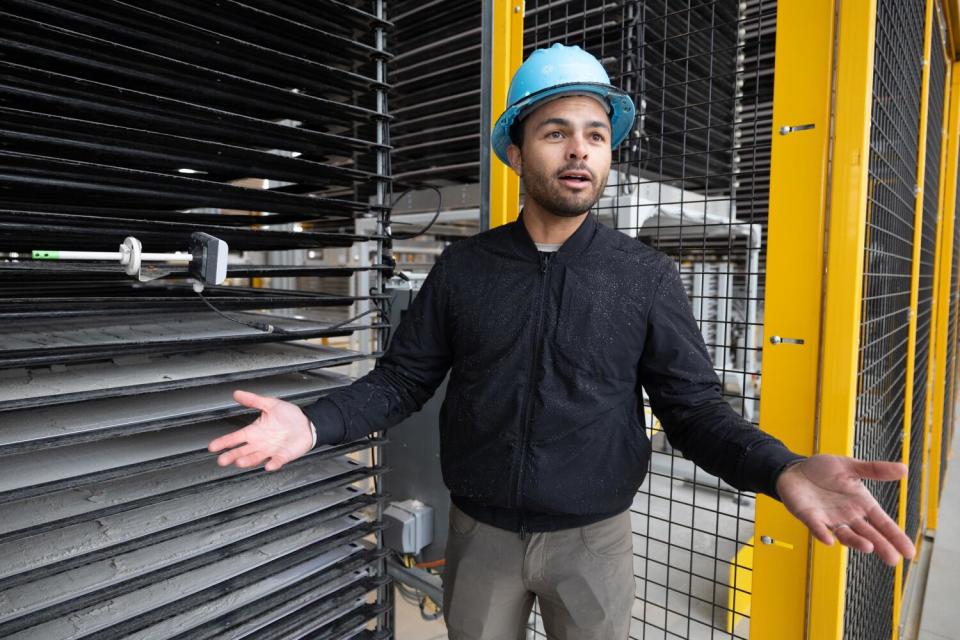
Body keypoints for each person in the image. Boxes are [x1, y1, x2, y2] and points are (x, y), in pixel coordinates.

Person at [209, 43, 915, 640]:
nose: (580, 148)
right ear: (516, 151)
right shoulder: (465, 271)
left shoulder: (645, 278)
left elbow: (695, 412)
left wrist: (781, 470)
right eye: (556, 132)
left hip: (595, 543)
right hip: (480, 538)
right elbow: (401, 380)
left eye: (596, 134)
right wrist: (314, 420)